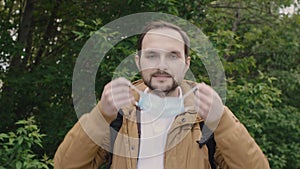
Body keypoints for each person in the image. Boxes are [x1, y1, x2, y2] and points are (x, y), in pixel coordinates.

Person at [54, 21, 270, 169]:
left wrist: (221, 122)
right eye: (151, 55)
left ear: (186, 64)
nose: (162, 65)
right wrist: (100, 115)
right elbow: (64, 166)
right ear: (139, 62)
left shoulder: (208, 114)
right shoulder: (118, 113)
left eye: (173, 56)